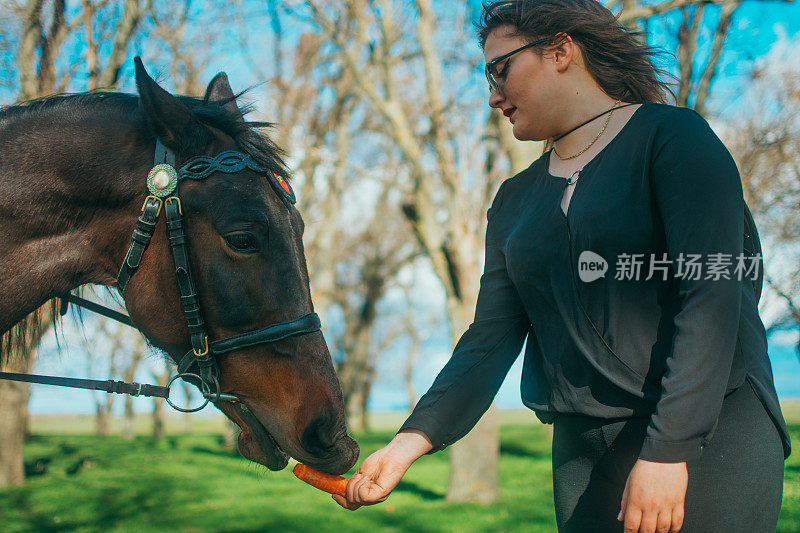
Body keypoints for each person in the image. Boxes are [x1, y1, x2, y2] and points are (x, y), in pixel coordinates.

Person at [332, 1, 792, 531]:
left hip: (710, 435)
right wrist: (407, 445)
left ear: (560, 50)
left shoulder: (673, 138)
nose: (492, 95)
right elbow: (490, 340)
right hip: (582, 452)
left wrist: (670, 451)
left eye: (499, 68)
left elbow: (713, 296)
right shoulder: (514, 199)